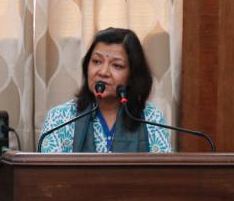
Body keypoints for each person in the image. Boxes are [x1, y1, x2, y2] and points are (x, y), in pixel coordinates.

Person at [38, 27, 172, 153]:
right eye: (96, 61)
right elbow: (48, 170)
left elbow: (163, 169)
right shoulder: (60, 119)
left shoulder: (151, 118)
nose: (103, 72)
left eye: (117, 65)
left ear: (133, 74)